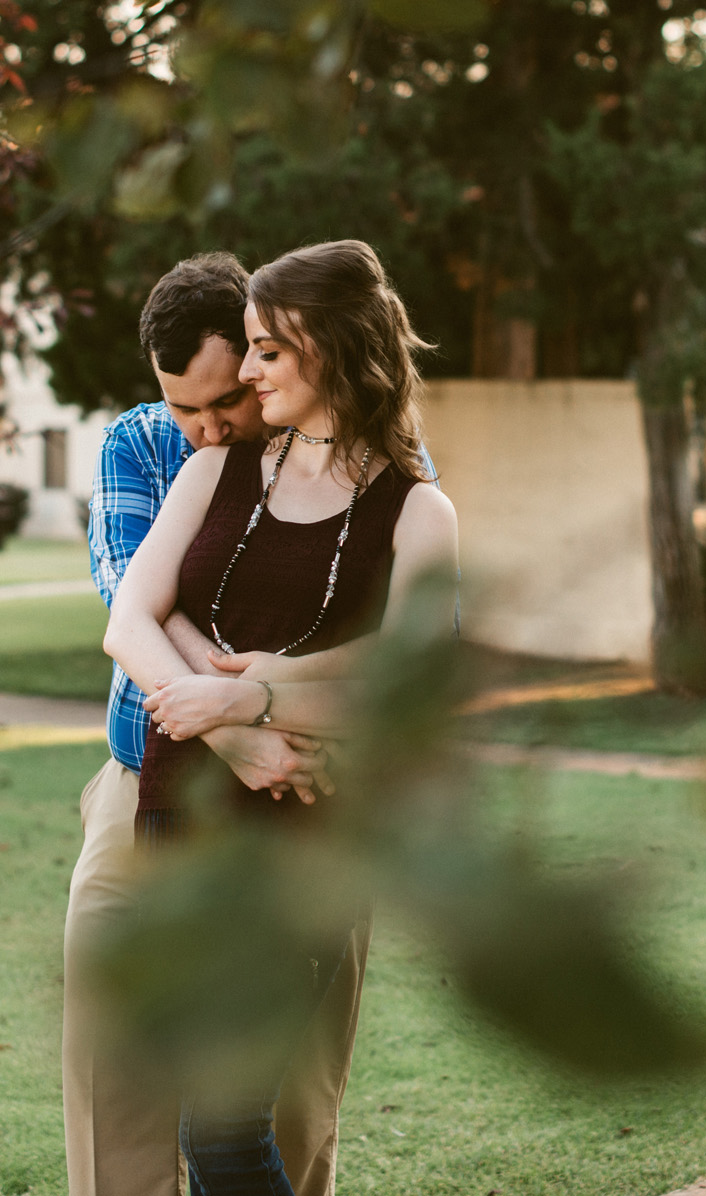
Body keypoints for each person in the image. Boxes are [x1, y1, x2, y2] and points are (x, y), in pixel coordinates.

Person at [103, 240, 460, 1195]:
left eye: (266, 351)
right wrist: (223, 720)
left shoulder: (417, 509)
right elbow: (127, 619)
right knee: (202, 1117)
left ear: (332, 350)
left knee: (224, 1131)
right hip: (181, 823)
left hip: (306, 837)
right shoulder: (215, 473)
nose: (246, 373)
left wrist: (253, 691)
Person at [69, 252, 345, 1196]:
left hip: (307, 799)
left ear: (270, 357)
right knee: (120, 1054)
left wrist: (256, 712)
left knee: (292, 1077)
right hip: (143, 777)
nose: (202, 428)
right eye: (181, 405)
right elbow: (125, 598)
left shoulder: (350, 456)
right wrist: (229, 726)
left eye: (222, 401)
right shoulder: (140, 446)